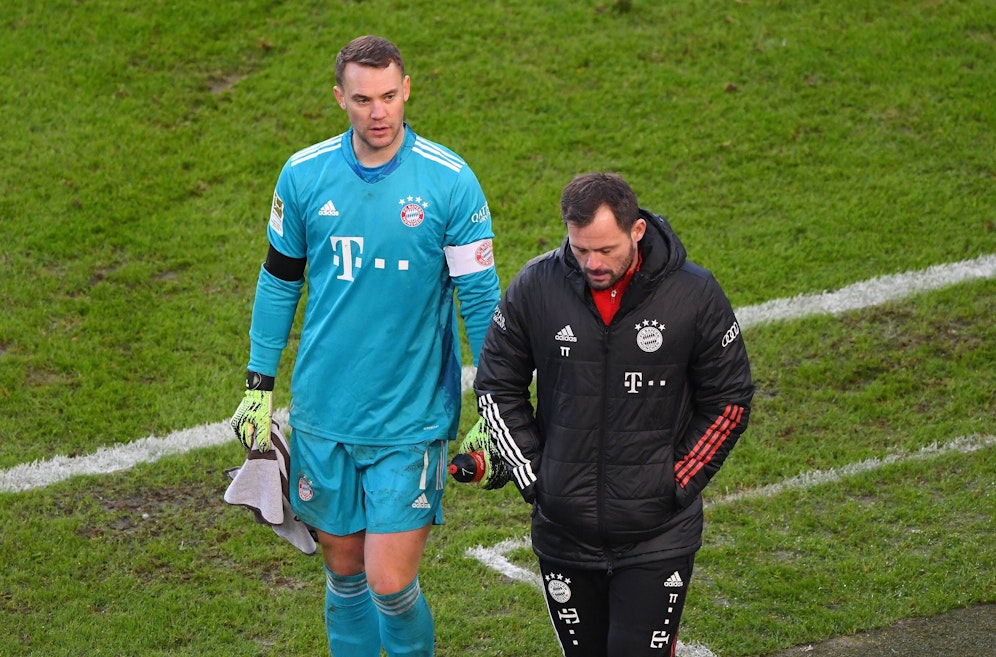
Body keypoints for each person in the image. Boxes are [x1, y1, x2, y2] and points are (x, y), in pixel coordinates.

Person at [230, 35, 501, 657]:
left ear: (406, 90)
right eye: (362, 99)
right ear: (340, 99)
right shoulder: (303, 175)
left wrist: (493, 407)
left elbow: (482, 302)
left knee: (390, 580)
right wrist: (257, 384)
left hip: (409, 419)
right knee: (344, 572)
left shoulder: (449, 182)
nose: (378, 113)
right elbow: (279, 282)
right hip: (325, 414)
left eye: (388, 96)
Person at [474, 173, 753, 657]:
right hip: (564, 533)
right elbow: (497, 387)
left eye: (605, 249)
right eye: (580, 249)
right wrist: (536, 476)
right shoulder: (535, 288)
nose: (592, 263)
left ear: (637, 231)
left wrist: (675, 482)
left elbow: (729, 400)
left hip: (656, 535)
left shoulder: (695, 295)